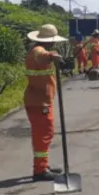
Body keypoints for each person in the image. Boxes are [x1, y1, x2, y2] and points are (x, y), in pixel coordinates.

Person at [24, 24, 67, 181]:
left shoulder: (44, 51)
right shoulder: (38, 51)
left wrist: (56, 59)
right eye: (53, 41)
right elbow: (41, 56)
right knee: (42, 135)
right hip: (38, 102)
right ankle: (40, 170)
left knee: (46, 134)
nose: (55, 44)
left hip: (42, 100)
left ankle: (44, 165)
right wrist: (52, 56)